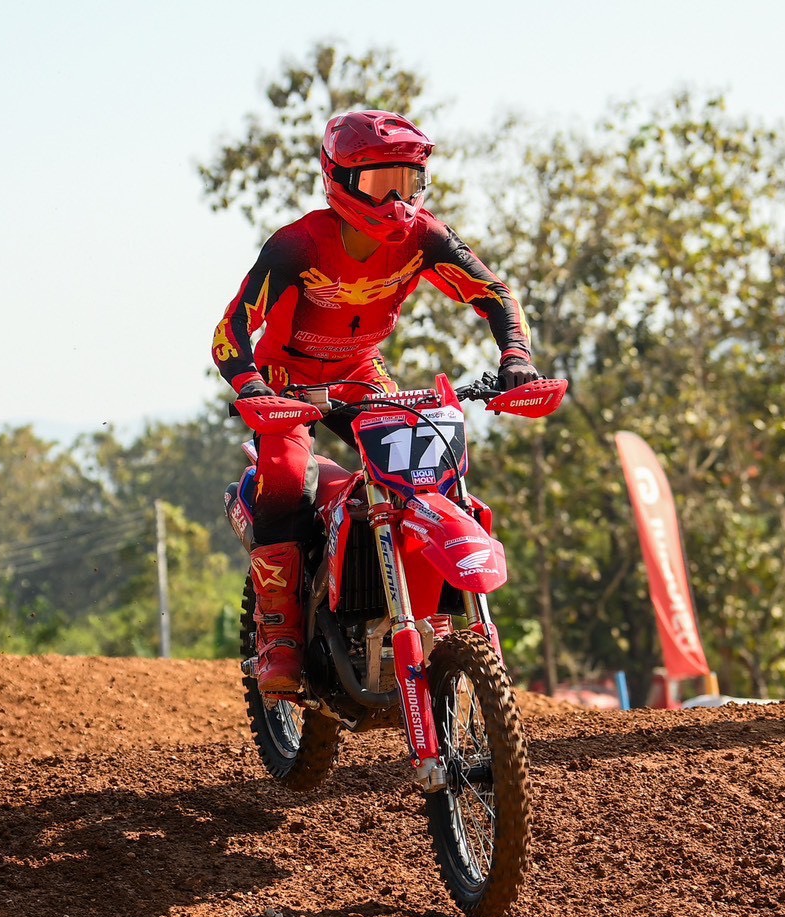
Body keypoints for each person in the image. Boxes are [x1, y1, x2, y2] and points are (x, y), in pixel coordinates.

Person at [212, 109, 541, 698]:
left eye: (408, 182)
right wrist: (252, 386)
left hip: (361, 373)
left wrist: (516, 356)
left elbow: (494, 293)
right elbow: (231, 328)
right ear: (338, 180)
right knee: (285, 474)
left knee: (423, 472)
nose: (396, 201)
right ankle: (279, 634)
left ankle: (422, 607)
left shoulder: (426, 237)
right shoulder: (297, 245)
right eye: (378, 182)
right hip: (286, 379)